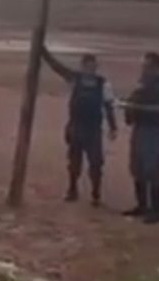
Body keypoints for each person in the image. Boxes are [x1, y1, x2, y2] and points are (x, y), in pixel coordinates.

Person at [41, 46, 118, 206]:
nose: (91, 69)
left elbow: (108, 105)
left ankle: (96, 194)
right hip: (76, 126)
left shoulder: (102, 84)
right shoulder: (74, 78)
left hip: (93, 129)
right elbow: (57, 67)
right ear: (83, 66)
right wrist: (42, 51)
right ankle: (72, 189)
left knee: (96, 162)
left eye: (93, 67)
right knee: (74, 161)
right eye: (88, 66)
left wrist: (113, 127)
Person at [119, 52, 159, 224]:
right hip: (140, 127)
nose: (144, 70)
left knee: (152, 168)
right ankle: (142, 205)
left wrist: (136, 106)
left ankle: (155, 210)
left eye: (147, 66)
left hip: (153, 129)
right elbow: (135, 97)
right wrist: (128, 107)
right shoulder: (143, 81)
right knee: (137, 167)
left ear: (156, 66)